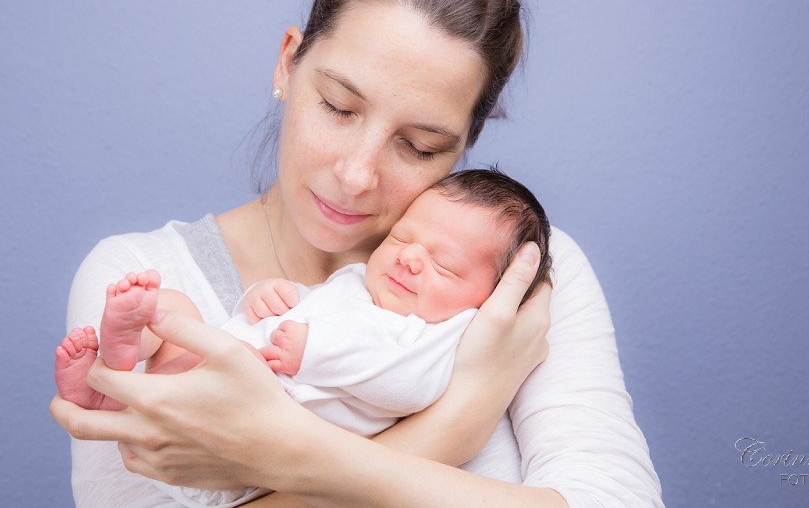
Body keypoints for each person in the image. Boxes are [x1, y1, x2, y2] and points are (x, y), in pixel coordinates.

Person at [50, 0, 664, 508]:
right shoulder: (142, 274)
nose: (356, 175)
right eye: (340, 107)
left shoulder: (518, 280)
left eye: (419, 146)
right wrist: (457, 420)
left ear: (466, 143)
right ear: (289, 63)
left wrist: (291, 460)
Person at [56, 169, 552, 508]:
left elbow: (407, 384)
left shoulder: (438, 333)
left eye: (443, 265)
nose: (409, 258)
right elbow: (312, 304)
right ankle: (115, 367)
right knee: (171, 309)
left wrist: (313, 351)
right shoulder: (362, 281)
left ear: (490, 299)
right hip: (227, 381)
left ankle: (119, 384)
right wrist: (268, 294)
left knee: (211, 353)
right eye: (402, 237)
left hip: (254, 437)